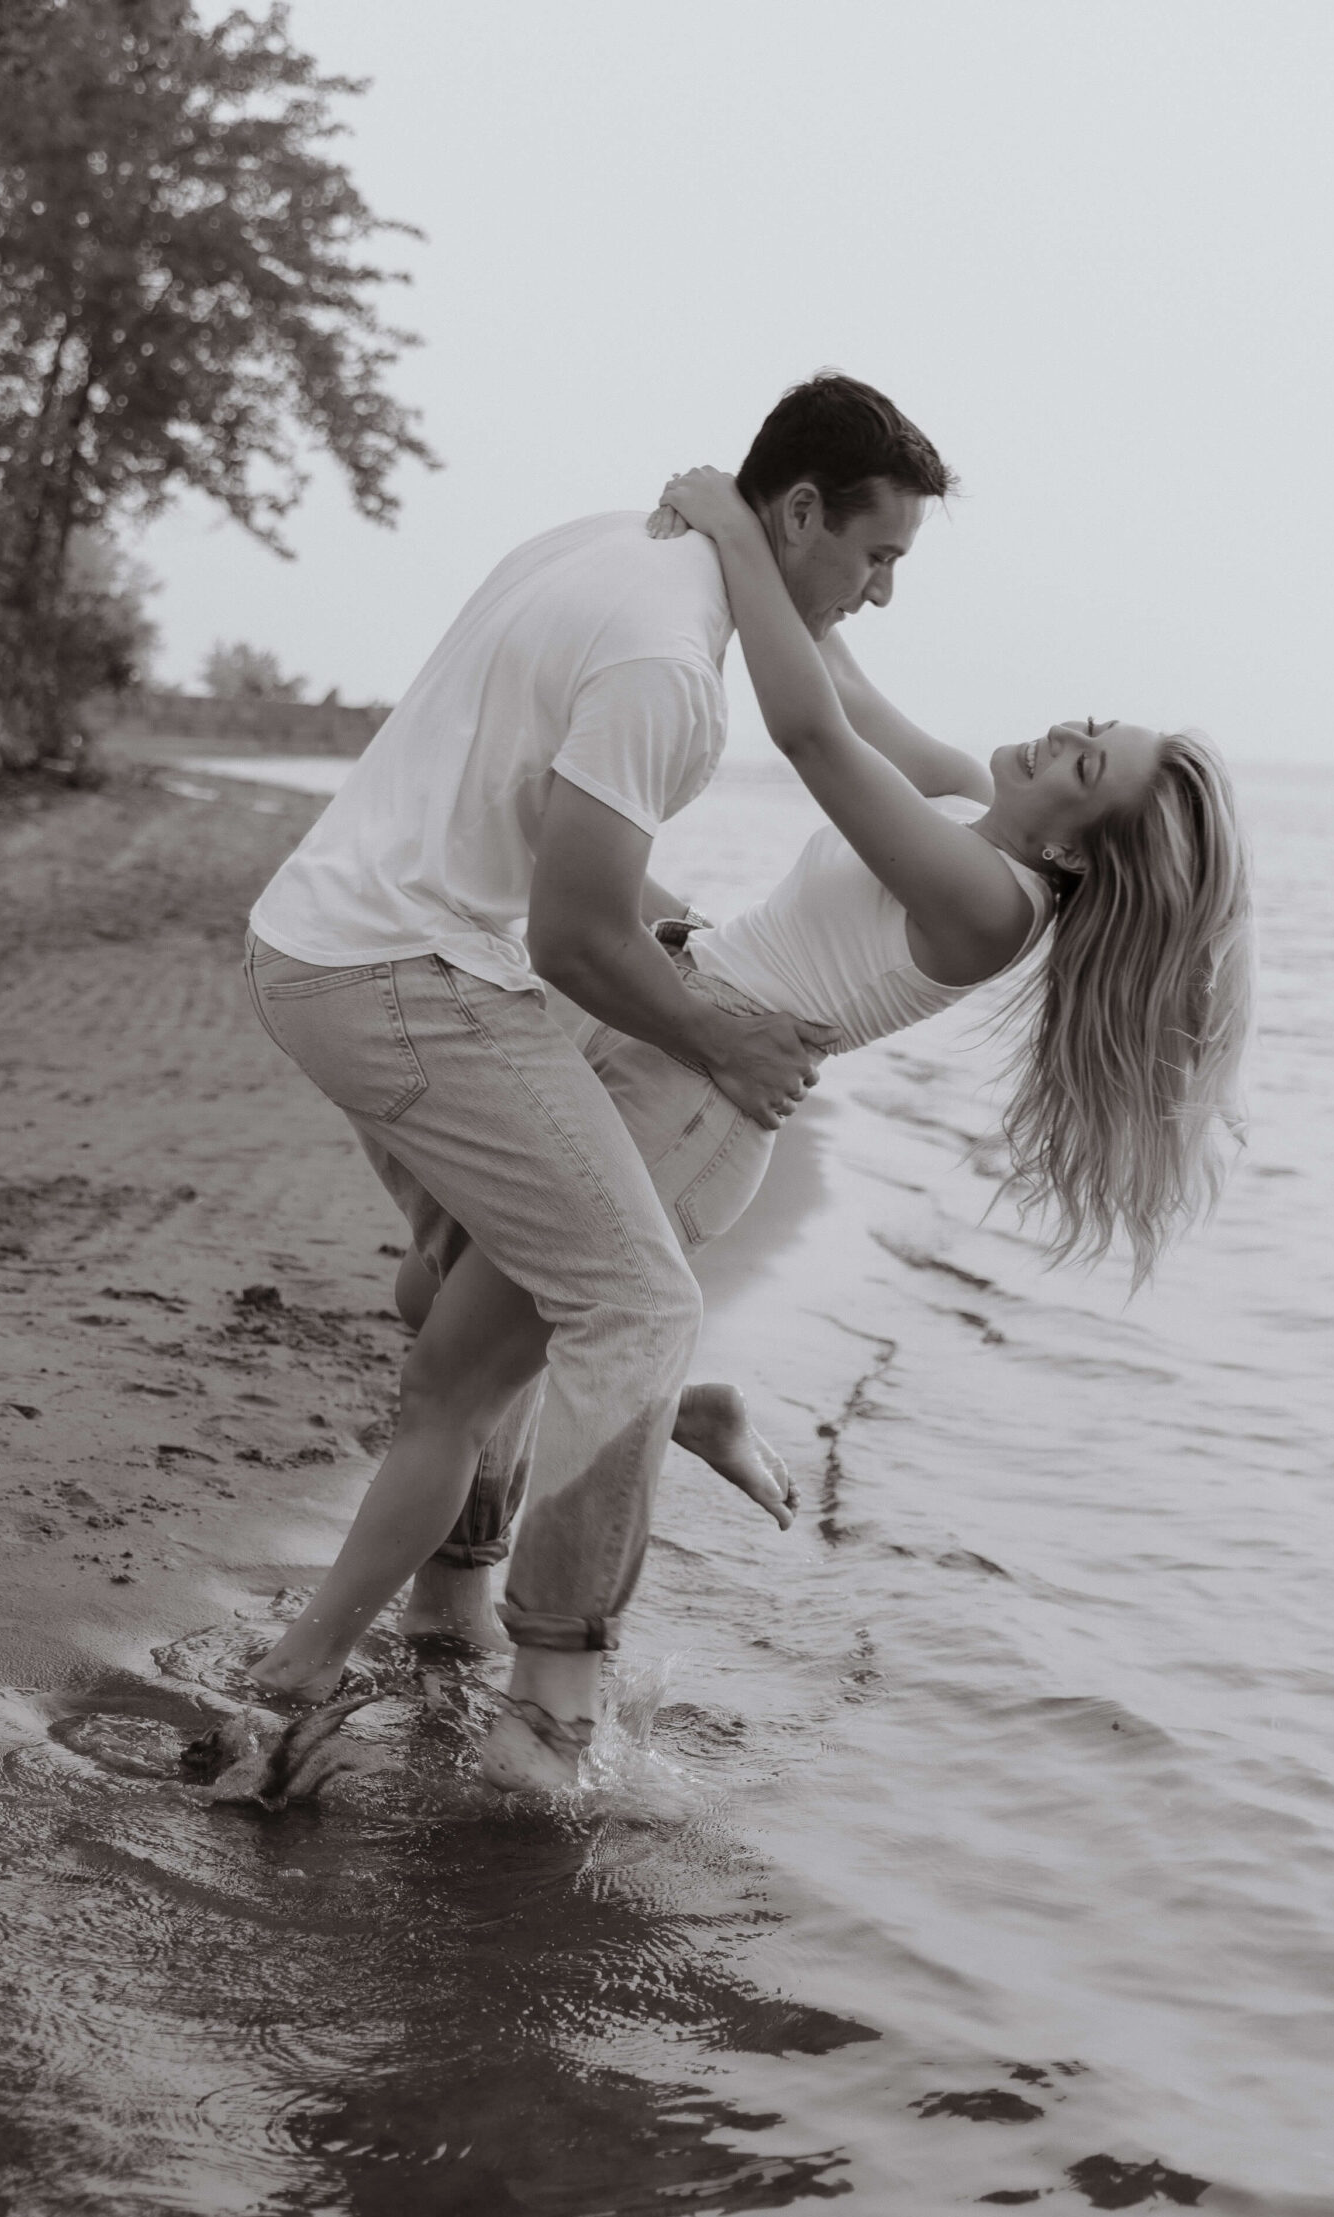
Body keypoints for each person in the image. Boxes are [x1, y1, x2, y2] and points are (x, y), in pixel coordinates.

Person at [228, 469, 1253, 1808]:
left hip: (699, 1104)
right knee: (446, 1302)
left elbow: (817, 736)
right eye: (1090, 724)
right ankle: (628, 1450)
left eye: (1086, 760)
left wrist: (726, 530)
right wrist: (779, 534)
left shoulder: (994, 900)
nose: (1064, 733)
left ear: (1087, 846)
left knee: (455, 1375)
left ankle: (473, 1689)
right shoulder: (967, 806)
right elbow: (848, 680)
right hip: (657, 1035)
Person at [236, 377, 957, 1792]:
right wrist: (722, 1042)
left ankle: (397, 1625)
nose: (878, 596)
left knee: (467, 1305)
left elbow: (528, 822)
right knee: (635, 1303)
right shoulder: (669, 673)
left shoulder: (606, 542)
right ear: (801, 511)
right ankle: (531, 1702)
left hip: (317, 933)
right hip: (402, 982)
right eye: (876, 559)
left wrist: (671, 941)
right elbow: (576, 935)